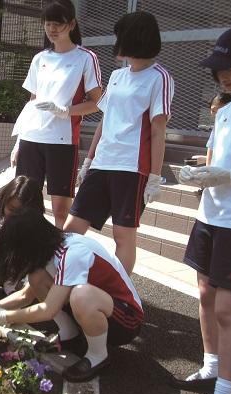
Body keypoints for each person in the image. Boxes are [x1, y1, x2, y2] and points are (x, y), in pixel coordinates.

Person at [173, 26, 231, 394]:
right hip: (210, 214)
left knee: (226, 309)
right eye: (219, 67)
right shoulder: (224, 109)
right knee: (205, 294)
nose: (223, 74)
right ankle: (211, 366)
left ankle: (225, 389)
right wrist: (201, 174)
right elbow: (212, 156)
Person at [64, 11, 175, 274]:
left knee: (123, 236)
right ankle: (64, 279)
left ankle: (123, 295)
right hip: (103, 162)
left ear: (133, 38)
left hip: (132, 167)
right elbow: (106, 119)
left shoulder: (160, 77)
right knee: (72, 228)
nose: (116, 42)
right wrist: (88, 161)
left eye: (120, 37)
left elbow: (159, 130)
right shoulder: (117, 76)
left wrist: (155, 177)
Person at [0, 209, 143, 382]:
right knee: (36, 277)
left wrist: (1, 317)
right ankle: (69, 333)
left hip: (127, 319)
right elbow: (25, 295)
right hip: (101, 307)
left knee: (82, 295)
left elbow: (48, 309)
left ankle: (98, 355)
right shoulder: (49, 249)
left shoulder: (73, 254)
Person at [10, 0, 102, 229]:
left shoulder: (85, 58)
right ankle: (25, 253)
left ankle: (58, 259)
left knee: (60, 208)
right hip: (32, 138)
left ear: (71, 24)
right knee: (23, 202)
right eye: (47, 24)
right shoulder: (40, 58)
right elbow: (32, 102)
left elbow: (98, 102)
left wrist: (65, 111)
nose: (51, 29)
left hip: (62, 140)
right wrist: (18, 142)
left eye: (57, 24)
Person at [191, 93, 231, 166]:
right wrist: (208, 168)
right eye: (213, 111)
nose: (216, 115)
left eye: (220, 111)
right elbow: (211, 148)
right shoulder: (217, 127)